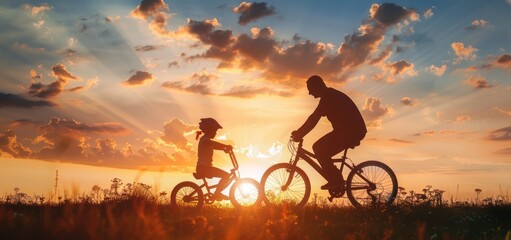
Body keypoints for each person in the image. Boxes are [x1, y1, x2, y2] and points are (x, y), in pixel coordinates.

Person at [291, 75, 367, 190]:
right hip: (348, 131)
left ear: (317, 86)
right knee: (319, 148)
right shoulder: (328, 95)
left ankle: (336, 180)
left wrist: (300, 134)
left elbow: (313, 120)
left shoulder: (328, 97)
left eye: (310, 89)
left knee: (319, 149)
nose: (309, 93)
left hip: (351, 132)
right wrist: (300, 131)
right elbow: (313, 117)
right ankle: (336, 179)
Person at [195, 118, 233, 201]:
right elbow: (213, 144)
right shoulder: (205, 140)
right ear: (209, 130)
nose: (215, 133)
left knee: (225, 176)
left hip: (205, 168)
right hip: (204, 168)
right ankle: (217, 193)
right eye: (214, 131)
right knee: (226, 176)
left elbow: (214, 146)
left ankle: (217, 193)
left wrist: (224, 148)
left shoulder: (206, 140)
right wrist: (225, 146)